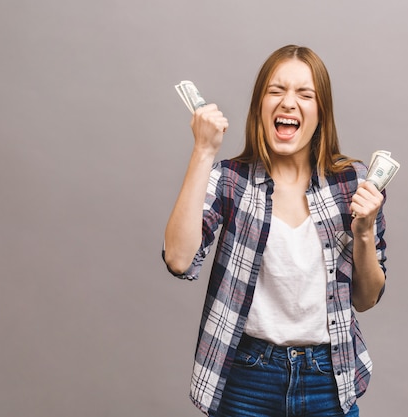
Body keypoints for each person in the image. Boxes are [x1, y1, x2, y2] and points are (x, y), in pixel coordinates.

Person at [163, 45, 388, 417]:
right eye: (276, 90)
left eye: (304, 94)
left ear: (321, 112)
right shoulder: (229, 180)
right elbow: (178, 259)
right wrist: (203, 151)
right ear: (259, 106)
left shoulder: (354, 183)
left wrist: (363, 233)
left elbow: (365, 299)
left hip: (327, 377)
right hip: (246, 379)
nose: (288, 103)